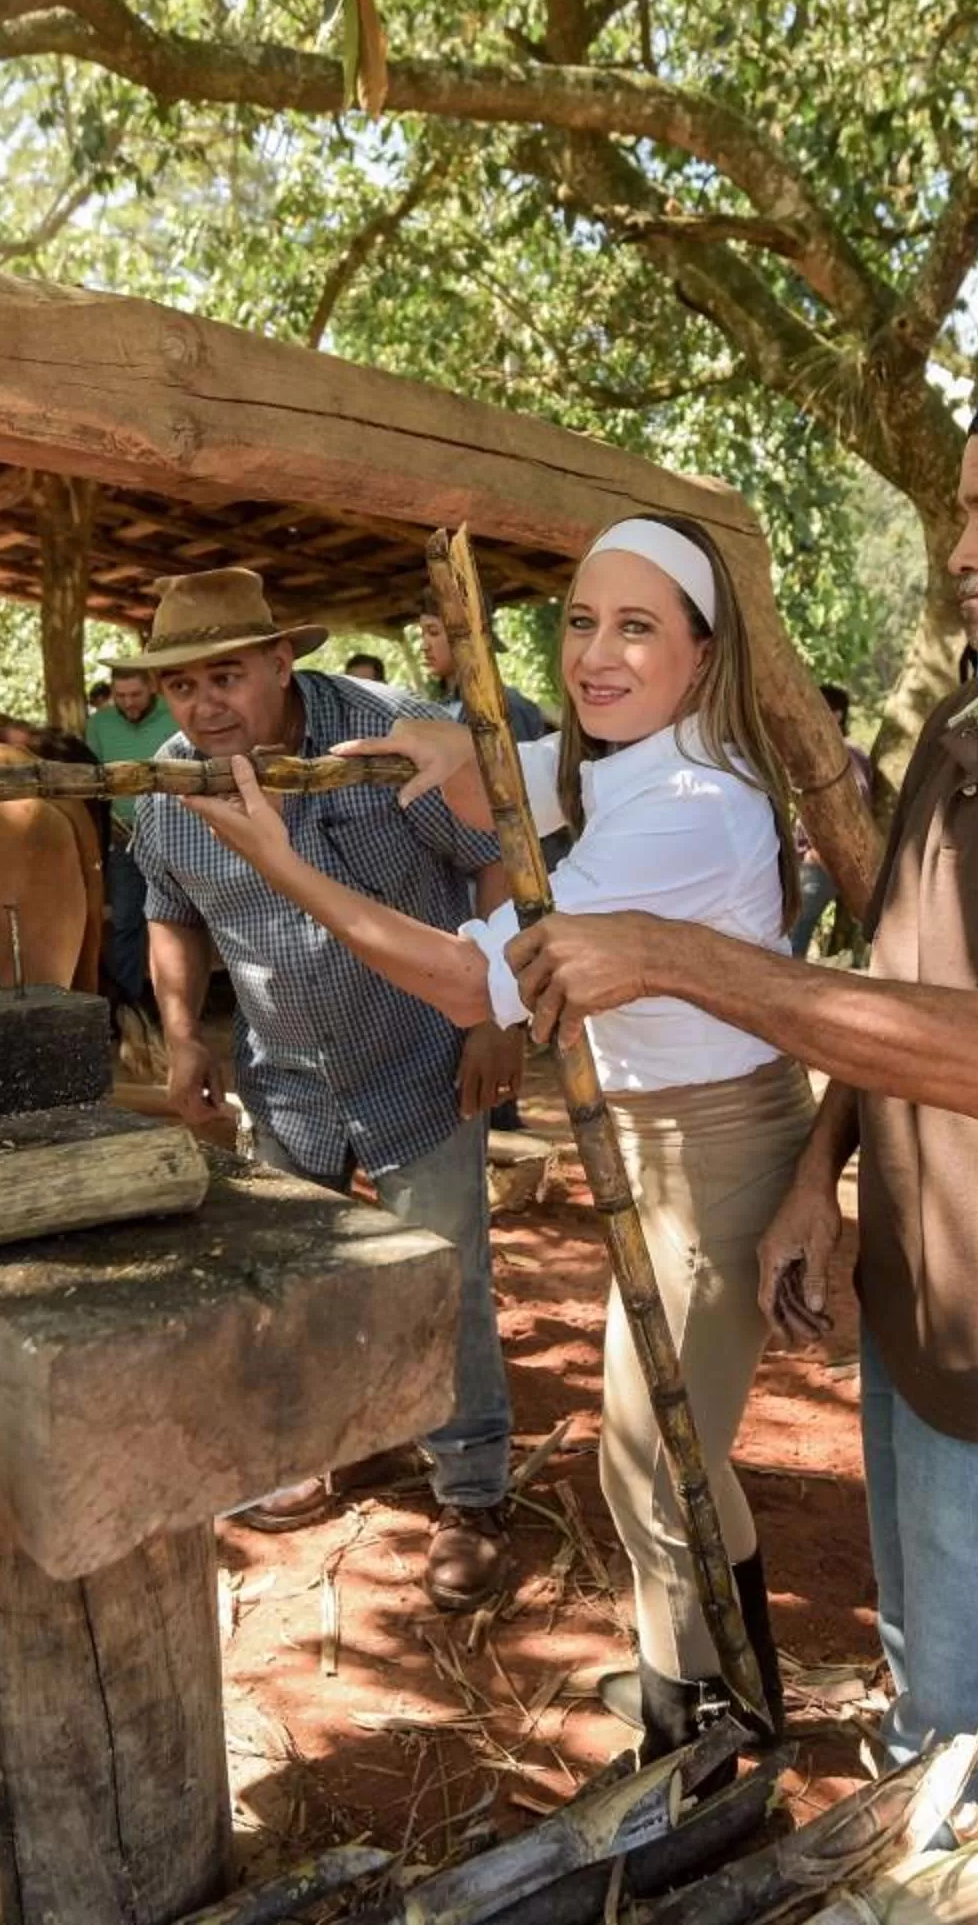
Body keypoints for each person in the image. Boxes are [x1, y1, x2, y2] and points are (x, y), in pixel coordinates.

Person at [492, 335, 978, 1858]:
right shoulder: (971, 733)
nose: (960, 546)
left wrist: (669, 953)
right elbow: (895, 965)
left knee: (973, 1760)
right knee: (925, 1681)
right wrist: (816, 1176)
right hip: (922, 1298)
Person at [186, 517, 810, 1756]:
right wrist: (446, 739)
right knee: (665, 1461)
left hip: (715, 1148)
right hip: (654, 1136)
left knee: (654, 1463)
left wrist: (284, 868)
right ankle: (713, 1689)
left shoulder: (693, 803)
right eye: (583, 622)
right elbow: (540, 765)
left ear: (704, 648)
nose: (598, 655)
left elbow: (479, 985)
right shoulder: (637, 759)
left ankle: (710, 1738)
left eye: (638, 627)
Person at [125, 569, 525, 1604]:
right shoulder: (171, 791)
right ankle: (310, 1454)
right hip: (287, 1079)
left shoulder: (392, 739)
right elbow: (171, 912)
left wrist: (494, 1015)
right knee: (295, 1278)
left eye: (228, 676)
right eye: (183, 688)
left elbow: (497, 861)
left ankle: (472, 1490)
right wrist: (180, 1036)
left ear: (279, 662)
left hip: (423, 1060)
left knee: (448, 1279)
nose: (205, 705)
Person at [84, 663, 181, 1021]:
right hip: (123, 838)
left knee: (181, 918)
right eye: (120, 696)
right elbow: (93, 782)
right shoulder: (99, 724)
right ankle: (128, 1005)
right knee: (126, 921)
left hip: (175, 833)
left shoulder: (176, 716)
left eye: (135, 695)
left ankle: (180, 1003)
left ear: (152, 687)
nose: (128, 703)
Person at [789, 683, 875, 960]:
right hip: (806, 861)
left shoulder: (846, 755)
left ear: (836, 715)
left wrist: (820, 852)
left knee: (790, 938)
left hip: (820, 863)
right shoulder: (823, 752)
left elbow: (852, 804)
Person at [415, 609, 548, 741]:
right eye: (422, 635)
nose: (424, 646)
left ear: (465, 636)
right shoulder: (436, 710)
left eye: (433, 632)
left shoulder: (506, 706)